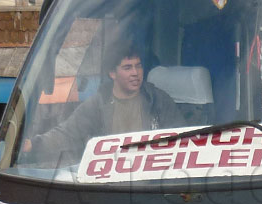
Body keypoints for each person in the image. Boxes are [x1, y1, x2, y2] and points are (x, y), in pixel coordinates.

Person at [23, 41, 184, 158]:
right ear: (112, 73)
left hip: (152, 181)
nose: (136, 73)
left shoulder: (158, 100)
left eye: (138, 66)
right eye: (127, 67)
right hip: (110, 186)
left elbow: (183, 138)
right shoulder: (97, 105)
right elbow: (67, 134)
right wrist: (33, 145)